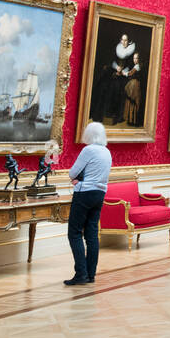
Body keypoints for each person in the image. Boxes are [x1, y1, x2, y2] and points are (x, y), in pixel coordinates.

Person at [65, 121, 112, 286]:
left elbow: (72, 173)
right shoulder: (107, 152)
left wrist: (76, 180)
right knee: (91, 235)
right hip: (99, 194)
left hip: (84, 194)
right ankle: (91, 274)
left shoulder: (88, 150)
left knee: (74, 233)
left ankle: (81, 274)